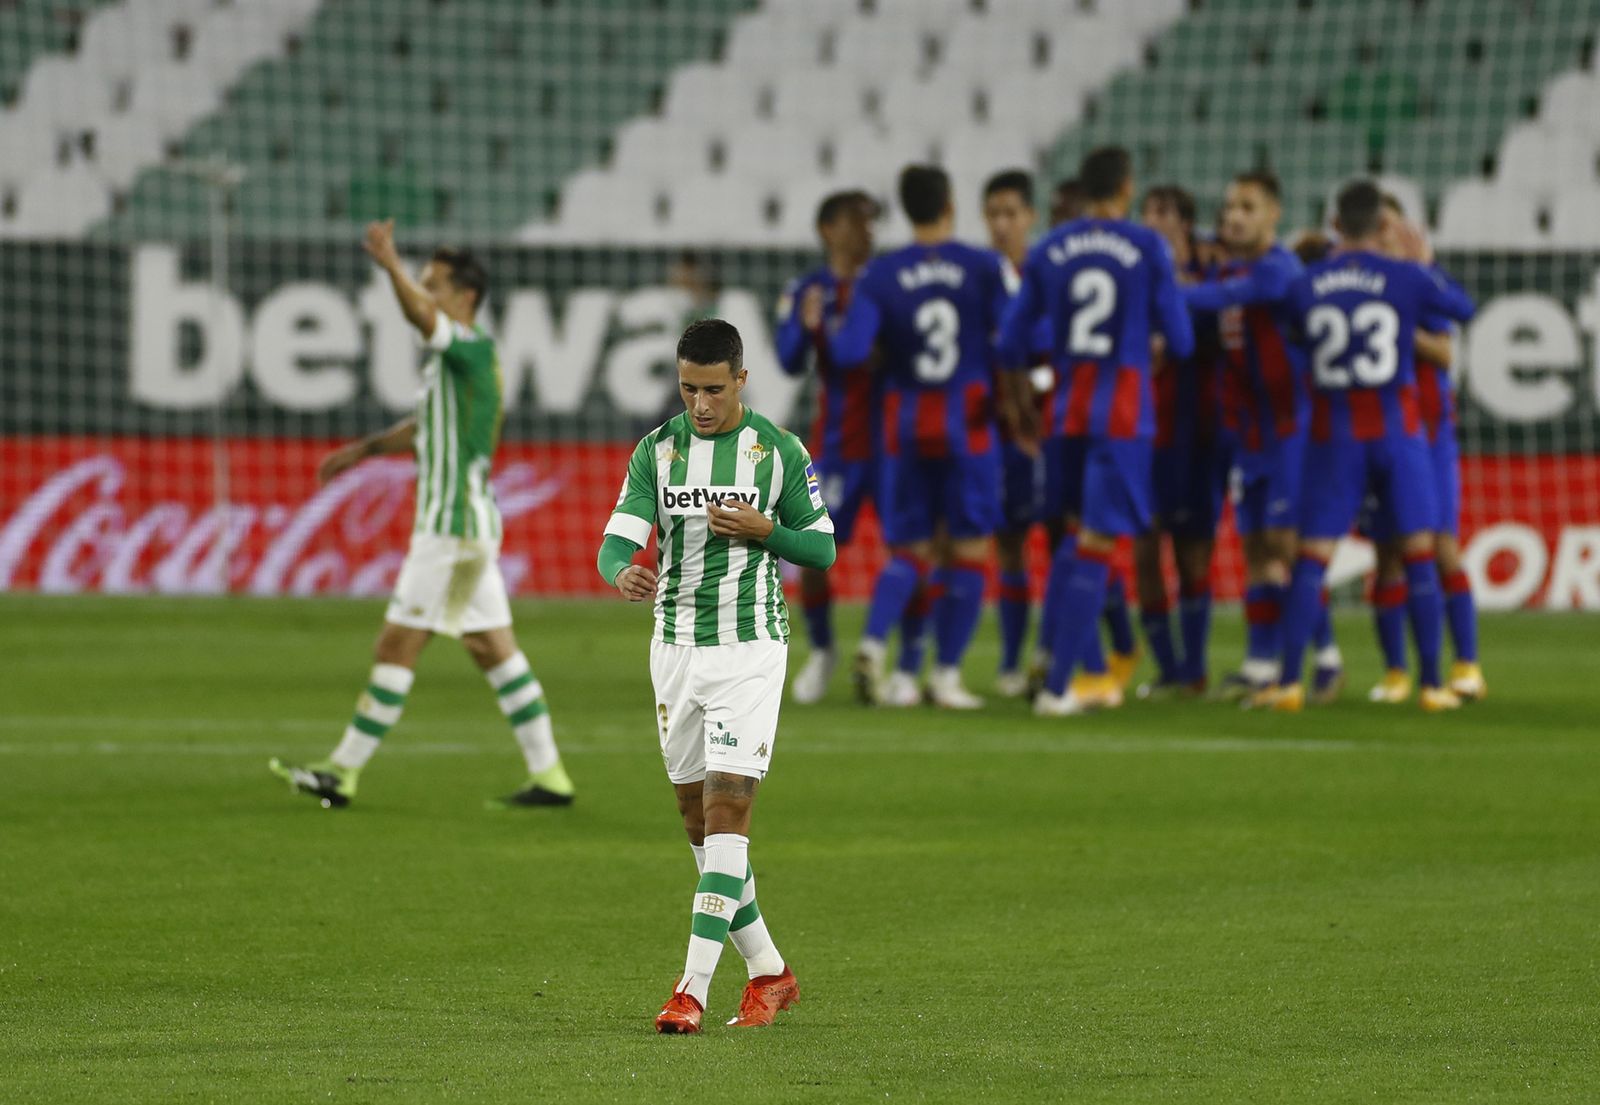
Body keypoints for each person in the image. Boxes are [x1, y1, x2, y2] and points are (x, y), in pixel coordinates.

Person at [269, 221, 574, 809]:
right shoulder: (455, 368)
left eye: (433, 284)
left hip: (451, 530)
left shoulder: (471, 347)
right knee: (494, 651)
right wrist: (363, 451)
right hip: (468, 529)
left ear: (465, 298)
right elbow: (423, 428)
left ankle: (342, 771)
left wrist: (390, 265)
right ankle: (551, 775)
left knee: (395, 646)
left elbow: (421, 319)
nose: (424, 293)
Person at [598, 319, 835, 1033]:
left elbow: (821, 548)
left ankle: (690, 989)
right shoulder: (657, 450)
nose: (699, 404)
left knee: (730, 810)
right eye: (688, 388)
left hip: (749, 650)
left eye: (712, 389)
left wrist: (768, 533)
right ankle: (770, 971)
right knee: (697, 822)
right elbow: (617, 537)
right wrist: (622, 571)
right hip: (674, 651)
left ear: (740, 380)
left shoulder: (778, 452)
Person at [1252, 180, 1475, 712]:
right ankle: (1430, 685)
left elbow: (1299, 335)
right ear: (1384, 227)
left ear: (1334, 227)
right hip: (1398, 433)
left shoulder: (1307, 284)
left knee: (1311, 560)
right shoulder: (1403, 277)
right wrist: (1424, 264)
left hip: (1334, 435)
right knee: (1420, 553)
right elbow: (1462, 309)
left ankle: (1287, 683)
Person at [996, 146, 1194, 716]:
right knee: (1099, 544)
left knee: (1073, 537)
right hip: (1123, 416)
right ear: (1126, 188)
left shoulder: (1051, 248)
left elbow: (1010, 342)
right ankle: (1062, 687)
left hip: (1065, 415)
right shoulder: (1146, 246)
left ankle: (1045, 657)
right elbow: (1180, 342)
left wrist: (1027, 401)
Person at [830, 164, 1025, 709]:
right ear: (950, 205)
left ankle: (874, 643)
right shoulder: (984, 266)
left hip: (907, 425)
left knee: (912, 549)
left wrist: (890, 346)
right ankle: (945, 676)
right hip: (970, 424)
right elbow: (1017, 337)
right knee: (967, 550)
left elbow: (847, 353)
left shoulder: (881, 275)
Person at [1183, 171, 1344, 704]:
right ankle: (1259, 664)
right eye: (1229, 206)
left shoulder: (1279, 271)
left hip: (1291, 432)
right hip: (1249, 436)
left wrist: (1169, 286)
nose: (1233, 216)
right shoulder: (1231, 269)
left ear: (1273, 214)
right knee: (1254, 548)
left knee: (1286, 547)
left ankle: (1325, 659)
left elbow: (1228, 297)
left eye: (1247, 207)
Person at [1363, 195, 1487, 703]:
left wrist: (1399, 328)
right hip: (1373, 430)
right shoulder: (1360, 284)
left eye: (1391, 226)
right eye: (1378, 228)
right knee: (1387, 553)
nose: (1385, 236)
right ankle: (1395, 672)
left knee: (1439, 546)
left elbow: (1444, 348)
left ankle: (1466, 664)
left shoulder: (1418, 284)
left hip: (1429, 432)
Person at [774, 190, 886, 705]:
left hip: (893, 441)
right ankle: (822, 651)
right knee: (813, 552)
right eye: (858, 221)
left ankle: (898, 659)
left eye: (871, 222)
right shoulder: (808, 288)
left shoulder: (886, 284)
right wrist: (804, 324)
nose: (868, 231)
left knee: (914, 552)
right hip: (838, 444)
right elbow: (789, 360)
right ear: (829, 229)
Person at [1135, 184, 1228, 697]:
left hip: (1197, 432)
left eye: (1164, 213)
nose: (1154, 221)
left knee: (1194, 555)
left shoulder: (1211, 267)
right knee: (1145, 551)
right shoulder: (1134, 270)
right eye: (1147, 212)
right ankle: (1168, 667)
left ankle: (1194, 670)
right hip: (1144, 434)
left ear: (1186, 222)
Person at [983, 168, 1056, 697]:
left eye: (1011, 213)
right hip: (1001, 434)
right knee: (1008, 545)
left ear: (1031, 216)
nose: (1002, 224)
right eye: (993, 214)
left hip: (1055, 427)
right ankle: (1011, 663)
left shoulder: (1049, 273)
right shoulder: (982, 279)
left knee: (1059, 540)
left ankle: (1051, 653)